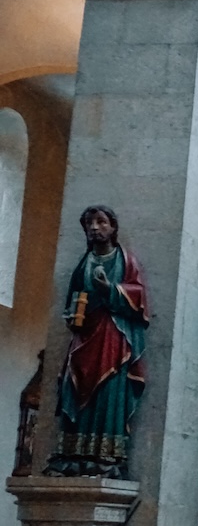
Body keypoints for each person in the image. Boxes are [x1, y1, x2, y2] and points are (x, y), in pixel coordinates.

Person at [48, 205, 149, 478]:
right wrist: (71, 316)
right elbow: (74, 295)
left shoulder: (125, 261)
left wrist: (110, 289)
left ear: (113, 227)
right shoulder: (84, 262)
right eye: (89, 223)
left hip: (112, 336)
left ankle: (106, 454)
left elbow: (138, 296)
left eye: (101, 222)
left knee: (109, 390)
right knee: (73, 385)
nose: (95, 227)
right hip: (84, 335)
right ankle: (72, 452)